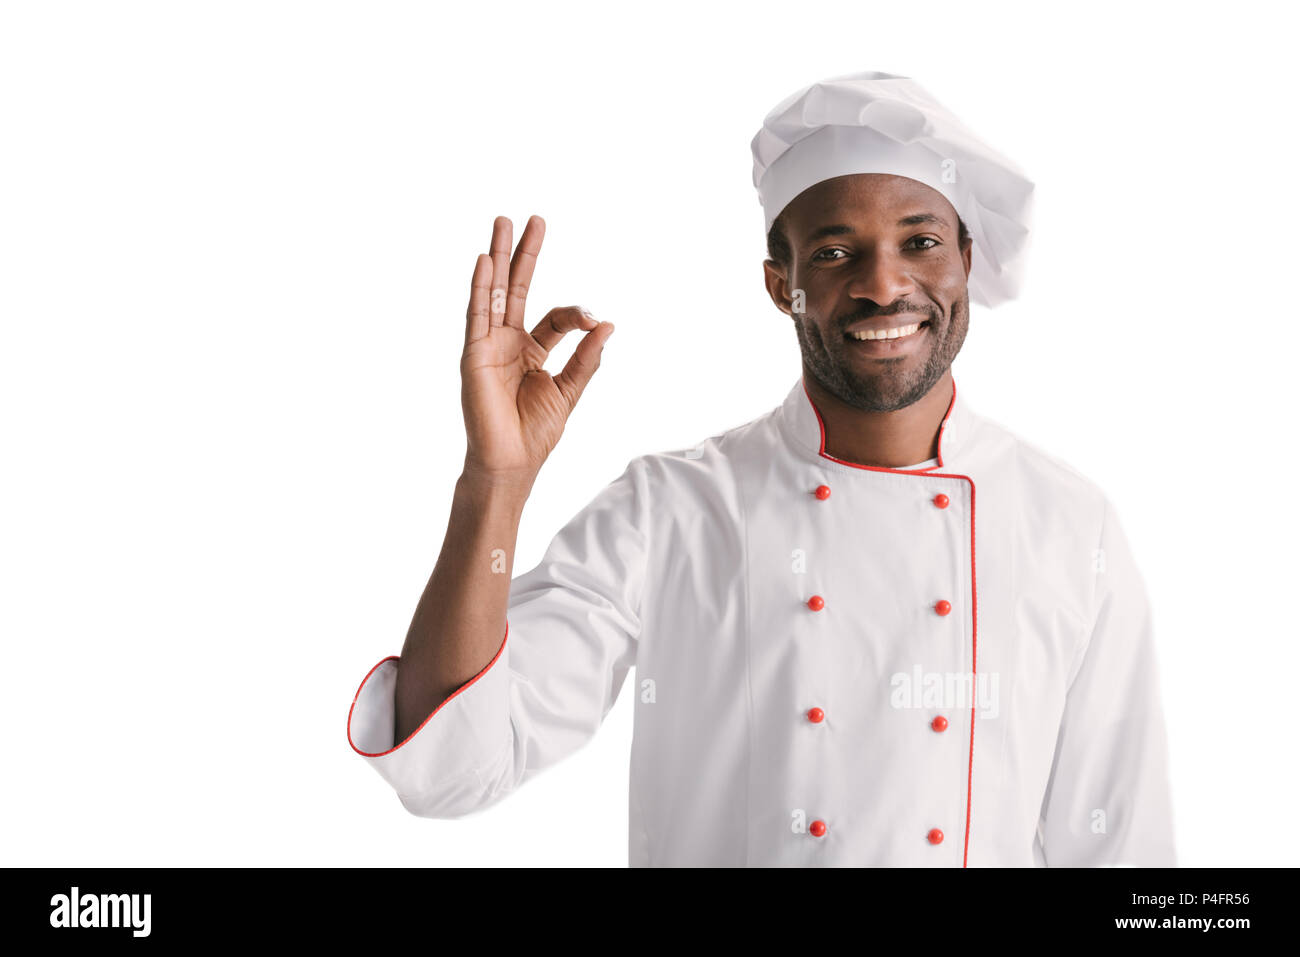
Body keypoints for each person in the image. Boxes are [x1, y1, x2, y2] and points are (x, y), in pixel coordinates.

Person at [346, 71, 1176, 867]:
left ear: (965, 258)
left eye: (919, 241)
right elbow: (453, 764)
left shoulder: (1069, 525)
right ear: (782, 286)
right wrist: (493, 483)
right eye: (835, 252)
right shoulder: (671, 510)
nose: (883, 284)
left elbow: (1125, 857)